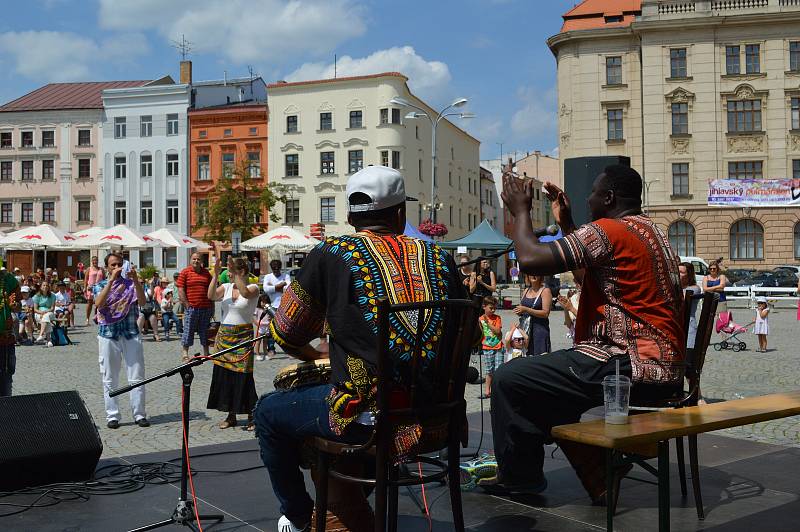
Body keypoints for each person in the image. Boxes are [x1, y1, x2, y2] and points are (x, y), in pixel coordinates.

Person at [253, 165, 466, 532]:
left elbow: (285, 334)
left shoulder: (331, 253)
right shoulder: (439, 257)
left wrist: (318, 357)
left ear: (350, 216)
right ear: (401, 214)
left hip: (370, 420)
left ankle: (301, 515)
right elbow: (470, 336)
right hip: (437, 417)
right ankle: (345, 505)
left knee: (268, 413)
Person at [480, 164, 684, 503]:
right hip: (663, 364)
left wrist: (519, 210)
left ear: (609, 197)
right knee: (543, 382)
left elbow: (530, 259)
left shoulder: (608, 230)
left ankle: (521, 476)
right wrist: (566, 224)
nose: (588, 198)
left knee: (509, 377)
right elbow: (589, 273)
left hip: (630, 363)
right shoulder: (650, 230)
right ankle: (598, 473)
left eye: (593, 192)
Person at [93, 252, 149, 429]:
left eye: (119, 264)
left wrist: (136, 280)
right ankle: (112, 415)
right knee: (110, 377)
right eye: (113, 265)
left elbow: (143, 302)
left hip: (130, 333)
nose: (117, 267)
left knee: (137, 376)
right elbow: (98, 304)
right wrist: (111, 282)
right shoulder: (100, 284)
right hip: (108, 334)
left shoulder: (131, 285)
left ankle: (139, 414)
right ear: (107, 268)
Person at [207, 255, 261, 430]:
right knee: (225, 376)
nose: (228, 275)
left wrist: (236, 273)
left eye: (230, 272)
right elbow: (211, 296)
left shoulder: (253, 288)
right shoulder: (227, 287)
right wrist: (215, 275)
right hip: (224, 336)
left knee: (243, 376)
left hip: (243, 336)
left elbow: (245, 293)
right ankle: (231, 416)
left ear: (242, 271)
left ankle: (252, 414)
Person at [177, 252, 214, 362]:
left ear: (201, 261)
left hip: (206, 308)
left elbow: (211, 290)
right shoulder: (185, 272)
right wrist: (187, 304)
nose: (196, 261)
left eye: (198, 259)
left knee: (205, 331)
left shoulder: (206, 273)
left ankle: (206, 352)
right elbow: (180, 289)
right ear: (190, 260)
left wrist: (212, 307)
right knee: (188, 331)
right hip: (191, 308)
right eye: (194, 259)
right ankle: (185, 354)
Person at [515, 274, 552, 356]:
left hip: (539, 330)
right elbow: (522, 308)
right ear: (527, 276)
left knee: (540, 358)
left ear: (540, 276)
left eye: (536, 273)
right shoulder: (526, 290)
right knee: (526, 357)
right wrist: (519, 311)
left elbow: (545, 313)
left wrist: (526, 309)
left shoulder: (545, 291)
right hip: (526, 330)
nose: (534, 275)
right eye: (531, 273)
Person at [262, 259, 290, 359]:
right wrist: (281, 285)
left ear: (280, 268)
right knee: (271, 329)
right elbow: (265, 289)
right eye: (274, 269)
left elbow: (288, 288)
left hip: (284, 306)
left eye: (277, 269)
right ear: (272, 268)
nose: (276, 271)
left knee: (286, 330)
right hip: (272, 306)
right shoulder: (268, 276)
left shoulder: (286, 276)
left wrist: (273, 287)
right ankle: (271, 349)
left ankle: (288, 350)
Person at [0, 268, 21, 396]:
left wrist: (14, 306)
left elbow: (18, 306)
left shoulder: (9, 280)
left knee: (5, 379)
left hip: (5, 340)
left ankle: (6, 411)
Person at [479, 295, 503, 399]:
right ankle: (487, 391)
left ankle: (497, 390)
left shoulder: (497, 318)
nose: (493, 310)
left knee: (499, 370)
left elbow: (497, 331)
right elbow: (480, 333)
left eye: (494, 308)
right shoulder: (480, 319)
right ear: (484, 307)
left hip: (498, 347)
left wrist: (488, 323)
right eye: (491, 308)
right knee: (489, 371)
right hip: (487, 348)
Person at [679, 262, 702, 350]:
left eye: (681, 272)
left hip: (689, 327)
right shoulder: (675, 288)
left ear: (689, 275)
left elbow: (681, 299)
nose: (678, 274)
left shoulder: (694, 288)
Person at [85, 256, 105, 326]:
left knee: (98, 304)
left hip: (99, 288)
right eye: (93, 260)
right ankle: (87, 319)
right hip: (90, 288)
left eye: (96, 260)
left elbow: (104, 279)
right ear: (91, 261)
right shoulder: (89, 269)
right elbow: (86, 279)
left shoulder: (101, 269)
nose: (94, 262)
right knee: (89, 303)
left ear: (97, 261)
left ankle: (96, 317)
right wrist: (85, 288)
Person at [253, 294, 271, 361]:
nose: (264, 304)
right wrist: (256, 323)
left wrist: (270, 320)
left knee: (265, 342)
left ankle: (265, 353)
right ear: (259, 302)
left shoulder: (269, 309)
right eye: (262, 302)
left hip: (267, 327)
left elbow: (272, 317)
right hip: (260, 327)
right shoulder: (257, 309)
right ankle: (257, 354)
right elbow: (253, 317)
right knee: (258, 341)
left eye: (266, 302)